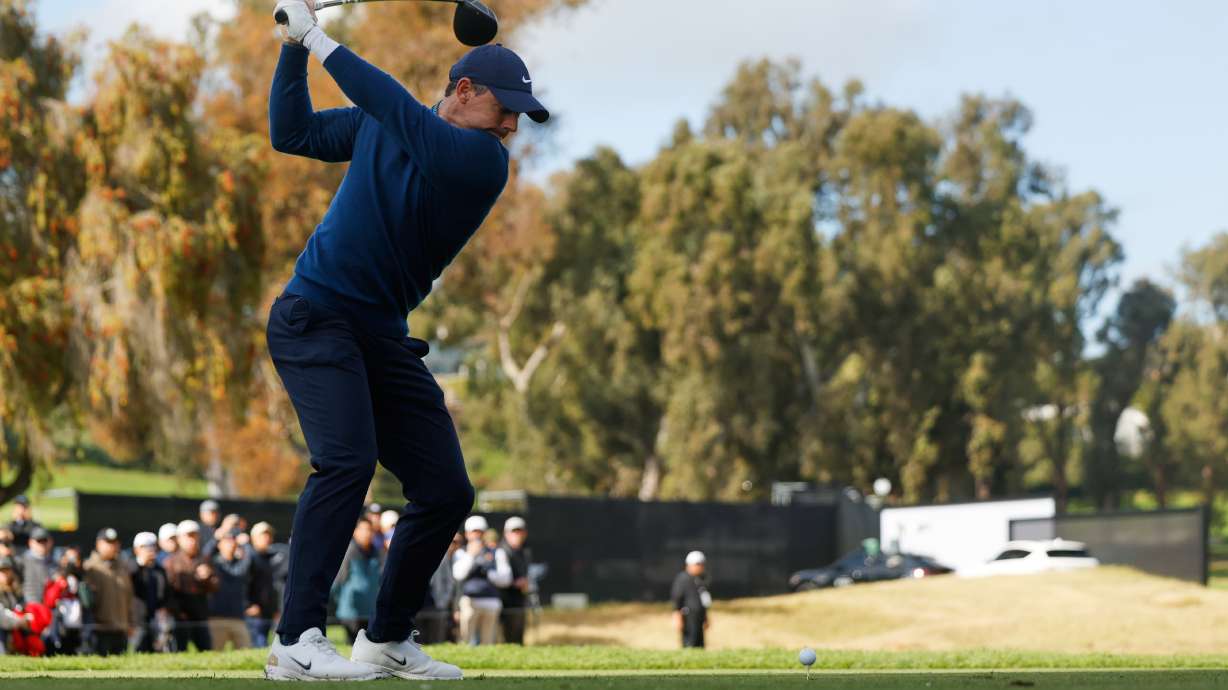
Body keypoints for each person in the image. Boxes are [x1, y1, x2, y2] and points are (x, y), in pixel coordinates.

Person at [263, 0, 549, 680]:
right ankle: (296, 640)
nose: (512, 124)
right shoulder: (389, 125)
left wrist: (318, 35)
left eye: (520, 114)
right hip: (316, 315)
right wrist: (291, 46)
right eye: (504, 106)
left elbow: (392, 104)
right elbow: (291, 133)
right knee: (347, 462)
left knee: (447, 490)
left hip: (381, 336)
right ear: (463, 90)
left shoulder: (481, 162)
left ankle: (386, 637)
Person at [452, 516, 511, 646]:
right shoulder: (461, 553)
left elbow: (506, 578)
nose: (477, 535)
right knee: (465, 641)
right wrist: (471, 555)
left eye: (480, 532)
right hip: (469, 602)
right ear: (467, 534)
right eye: (474, 532)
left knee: (488, 643)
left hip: (491, 603)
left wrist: (489, 574)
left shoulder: (497, 552)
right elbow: (458, 574)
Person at [164, 520, 218, 652]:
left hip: (200, 616)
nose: (192, 540)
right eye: (188, 536)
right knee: (179, 653)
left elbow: (215, 587)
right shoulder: (171, 562)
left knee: (206, 652)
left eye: (194, 536)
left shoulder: (205, 559)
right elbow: (167, 592)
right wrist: (178, 612)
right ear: (180, 539)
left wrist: (207, 578)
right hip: (180, 618)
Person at [83, 528, 134, 656]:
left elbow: (129, 597)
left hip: (121, 628)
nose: (112, 546)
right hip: (99, 630)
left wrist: (130, 622)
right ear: (98, 544)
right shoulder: (89, 568)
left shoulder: (123, 567)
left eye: (114, 542)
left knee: (121, 672)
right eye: (108, 542)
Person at [332, 518, 383, 644]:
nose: (367, 533)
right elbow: (338, 582)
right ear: (355, 532)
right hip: (351, 613)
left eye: (370, 530)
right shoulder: (348, 552)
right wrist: (343, 602)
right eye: (363, 529)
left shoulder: (377, 553)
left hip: (370, 612)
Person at [207, 530, 255, 650]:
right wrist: (215, 539)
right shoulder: (213, 563)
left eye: (233, 542)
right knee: (214, 655)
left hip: (238, 618)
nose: (230, 544)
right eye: (226, 541)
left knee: (246, 653)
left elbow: (251, 559)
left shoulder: (240, 563)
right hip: (217, 618)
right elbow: (204, 554)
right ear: (219, 545)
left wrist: (245, 544)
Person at [247, 522, 287, 647]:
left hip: (268, 611)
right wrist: (248, 605)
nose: (267, 538)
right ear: (254, 538)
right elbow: (243, 584)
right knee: (259, 646)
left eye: (269, 535)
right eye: (263, 535)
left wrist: (275, 609)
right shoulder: (249, 557)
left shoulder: (271, 558)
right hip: (253, 612)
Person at [130, 531, 171, 653]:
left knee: (158, 652)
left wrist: (164, 608)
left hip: (157, 619)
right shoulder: (131, 567)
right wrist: (142, 564)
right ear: (136, 549)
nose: (149, 550)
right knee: (139, 650)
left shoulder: (160, 570)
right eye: (144, 547)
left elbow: (165, 593)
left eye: (152, 546)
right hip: (137, 620)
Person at [418, 531, 461, 645]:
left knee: (436, 641)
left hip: (436, 604)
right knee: (418, 640)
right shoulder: (414, 552)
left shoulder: (441, 554)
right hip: (417, 606)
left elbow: (449, 581)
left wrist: (443, 600)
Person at [42, 547, 85, 656]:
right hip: (60, 620)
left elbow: (87, 602)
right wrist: (60, 584)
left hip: (76, 621)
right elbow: (50, 600)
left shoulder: (81, 577)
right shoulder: (56, 576)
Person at [497, 516, 531, 645]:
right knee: (505, 638)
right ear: (506, 533)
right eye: (514, 531)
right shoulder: (501, 551)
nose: (517, 534)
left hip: (519, 601)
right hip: (503, 602)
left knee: (517, 637)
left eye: (520, 531)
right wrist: (514, 583)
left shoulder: (524, 552)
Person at [671, 551, 712, 649]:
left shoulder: (701, 579)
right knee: (690, 643)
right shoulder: (683, 579)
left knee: (700, 644)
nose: (701, 566)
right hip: (688, 616)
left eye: (702, 564)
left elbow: (703, 600)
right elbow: (677, 598)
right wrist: (677, 616)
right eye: (698, 564)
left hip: (699, 616)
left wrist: (705, 617)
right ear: (689, 565)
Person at [19, 527, 55, 605]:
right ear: (30, 542)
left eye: (44, 541)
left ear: (50, 542)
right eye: (39, 541)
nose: (42, 544)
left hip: (51, 607)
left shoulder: (54, 562)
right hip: (30, 606)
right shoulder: (22, 561)